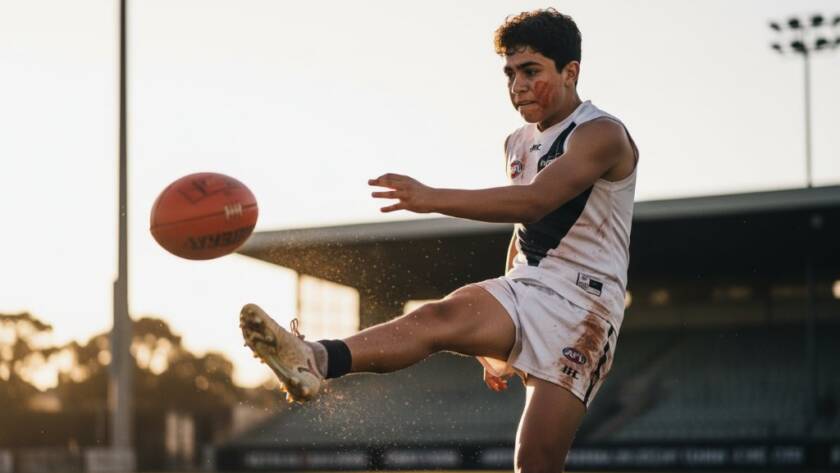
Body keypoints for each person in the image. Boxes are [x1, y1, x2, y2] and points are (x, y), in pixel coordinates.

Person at [239, 8, 638, 472]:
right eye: (509, 74)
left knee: (535, 462)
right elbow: (525, 230)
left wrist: (429, 197)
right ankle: (314, 358)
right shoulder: (516, 142)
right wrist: (500, 329)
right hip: (526, 285)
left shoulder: (602, 133)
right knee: (437, 316)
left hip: (584, 308)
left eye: (531, 71)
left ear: (571, 72)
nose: (517, 86)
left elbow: (534, 203)